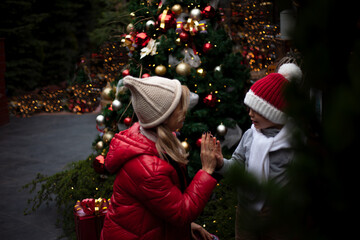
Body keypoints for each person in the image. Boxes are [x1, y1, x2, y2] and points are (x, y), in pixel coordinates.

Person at [101, 75, 219, 240]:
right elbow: (181, 213)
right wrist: (206, 170)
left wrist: (186, 227)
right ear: (163, 116)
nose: (185, 111)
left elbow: (161, 204)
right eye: (179, 107)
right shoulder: (148, 167)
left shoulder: (154, 139)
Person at [214, 63, 302, 240]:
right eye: (249, 108)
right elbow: (238, 167)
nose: (250, 114)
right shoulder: (250, 136)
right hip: (246, 215)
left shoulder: (294, 142)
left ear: (275, 114)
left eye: (257, 110)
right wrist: (221, 163)